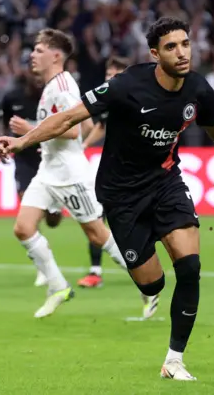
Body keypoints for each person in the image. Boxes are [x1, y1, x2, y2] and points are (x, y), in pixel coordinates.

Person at [0, 17, 214, 381]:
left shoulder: (198, 89)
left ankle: (174, 359)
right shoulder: (126, 85)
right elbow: (69, 117)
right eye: (171, 47)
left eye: (185, 44)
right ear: (155, 53)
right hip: (121, 194)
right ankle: (146, 271)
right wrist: (23, 142)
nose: (182, 52)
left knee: (190, 268)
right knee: (152, 283)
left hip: (166, 182)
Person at [3, 28, 132, 319]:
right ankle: (58, 286)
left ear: (56, 55)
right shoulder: (51, 86)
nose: (32, 55)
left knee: (98, 234)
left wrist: (30, 131)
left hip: (70, 173)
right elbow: (83, 127)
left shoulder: (63, 87)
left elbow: (72, 129)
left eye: (38, 50)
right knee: (23, 228)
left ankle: (146, 282)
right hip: (48, 170)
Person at [0, 70, 63, 287]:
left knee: (53, 221)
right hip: (25, 160)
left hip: (50, 158)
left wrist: (31, 128)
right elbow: (3, 122)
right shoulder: (12, 97)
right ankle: (43, 268)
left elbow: (68, 128)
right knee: (28, 214)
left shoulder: (55, 94)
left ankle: (55, 211)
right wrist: (4, 146)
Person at [77, 56, 130, 289]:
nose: (108, 78)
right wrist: (85, 145)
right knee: (96, 216)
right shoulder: (109, 100)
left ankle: (146, 264)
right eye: (107, 74)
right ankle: (95, 271)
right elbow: (101, 125)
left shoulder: (134, 100)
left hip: (134, 170)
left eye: (113, 74)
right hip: (111, 168)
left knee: (134, 220)